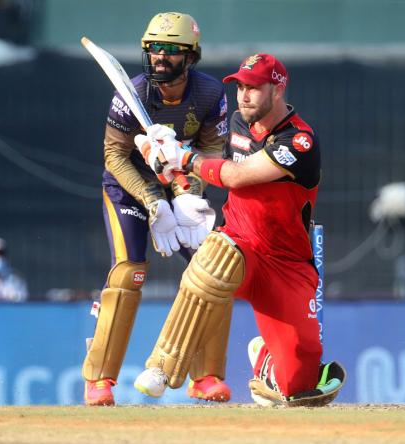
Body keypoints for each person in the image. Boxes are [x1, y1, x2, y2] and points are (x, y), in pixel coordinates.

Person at [132, 54, 345, 407]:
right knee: (216, 258)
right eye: (241, 87)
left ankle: (267, 359)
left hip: (287, 267)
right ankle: (160, 367)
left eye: (254, 88)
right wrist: (163, 158)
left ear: (277, 90)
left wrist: (183, 158)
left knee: (298, 389)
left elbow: (235, 175)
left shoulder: (300, 141)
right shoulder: (237, 123)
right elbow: (208, 162)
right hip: (243, 246)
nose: (244, 95)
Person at [82, 12, 232, 406]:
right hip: (128, 188)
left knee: (213, 272)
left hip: (178, 187)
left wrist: (187, 194)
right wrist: (151, 197)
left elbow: (213, 151)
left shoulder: (210, 94)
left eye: (170, 50)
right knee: (130, 272)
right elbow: (114, 155)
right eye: (154, 50)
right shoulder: (131, 93)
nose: (160, 58)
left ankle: (206, 376)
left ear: (191, 56)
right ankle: (98, 379)